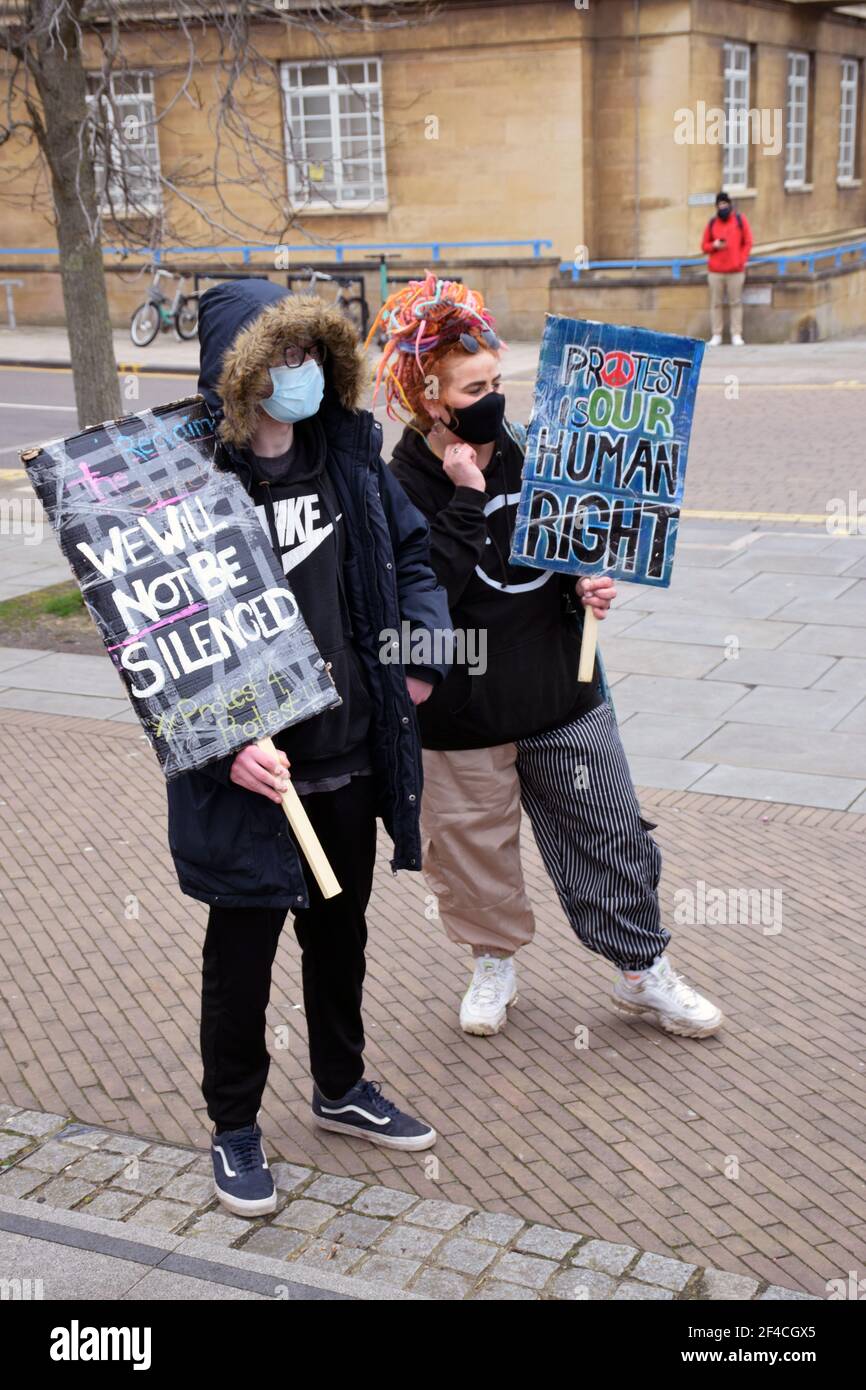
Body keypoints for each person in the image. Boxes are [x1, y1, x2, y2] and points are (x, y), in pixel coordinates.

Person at [371, 274, 723, 1043]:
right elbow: (419, 598)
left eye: (499, 380)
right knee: (472, 857)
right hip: (462, 717)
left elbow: (575, 540)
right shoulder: (395, 485)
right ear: (432, 398)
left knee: (612, 834)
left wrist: (587, 582)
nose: (495, 396)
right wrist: (465, 498)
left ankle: (641, 970)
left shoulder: (541, 450)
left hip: (564, 694)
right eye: (475, 386)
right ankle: (493, 961)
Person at [167, 279, 452, 1217]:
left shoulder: (352, 459)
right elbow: (159, 640)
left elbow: (414, 562)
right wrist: (218, 748)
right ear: (235, 373)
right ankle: (235, 1128)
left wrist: (419, 661)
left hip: (346, 759)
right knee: (240, 960)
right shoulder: (189, 483)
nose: (296, 376)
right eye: (275, 358)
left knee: (341, 937)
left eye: (306, 356)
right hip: (253, 777)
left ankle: (340, 1086)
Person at [701, 190, 753, 346]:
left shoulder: (739, 220)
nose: (723, 207)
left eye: (725, 204)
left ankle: (736, 334)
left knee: (735, 302)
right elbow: (704, 246)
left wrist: (741, 260)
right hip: (716, 271)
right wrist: (714, 245)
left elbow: (748, 242)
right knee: (716, 303)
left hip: (735, 271)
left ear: (729, 205)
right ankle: (716, 334)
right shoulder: (712, 223)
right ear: (717, 206)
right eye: (720, 204)